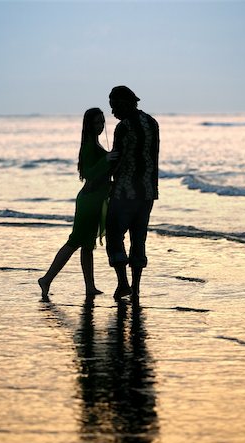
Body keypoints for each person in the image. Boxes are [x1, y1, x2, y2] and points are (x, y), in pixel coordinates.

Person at [38, 108, 117, 298]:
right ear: (88, 125)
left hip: (95, 200)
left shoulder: (94, 144)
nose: (100, 126)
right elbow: (88, 174)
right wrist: (106, 159)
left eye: (102, 122)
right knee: (74, 242)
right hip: (88, 201)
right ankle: (46, 279)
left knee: (87, 246)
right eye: (96, 122)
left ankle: (90, 287)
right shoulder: (89, 145)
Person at [106, 86, 159, 301]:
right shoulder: (152, 123)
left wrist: (103, 175)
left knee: (114, 234)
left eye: (114, 106)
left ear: (125, 103)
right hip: (147, 193)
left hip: (125, 192)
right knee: (139, 238)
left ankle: (123, 284)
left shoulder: (124, 127)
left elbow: (117, 160)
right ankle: (136, 288)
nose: (113, 112)